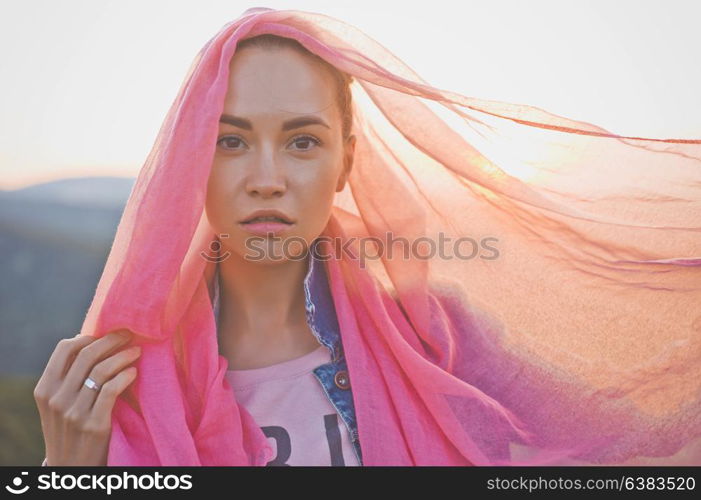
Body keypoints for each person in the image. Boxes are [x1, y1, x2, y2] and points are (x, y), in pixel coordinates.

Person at [34, 7, 701, 466]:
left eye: (301, 141)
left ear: (344, 161)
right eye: (229, 141)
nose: (266, 179)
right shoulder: (124, 379)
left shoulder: (434, 336)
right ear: (188, 163)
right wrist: (64, 473)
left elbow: (623, 438)